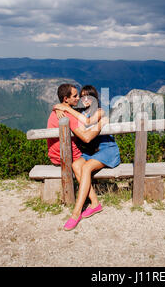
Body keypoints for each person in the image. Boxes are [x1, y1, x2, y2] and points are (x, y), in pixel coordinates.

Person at [53, 85, 121, 231]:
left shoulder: (100, 111)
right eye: (81, 96)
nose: (84, 99)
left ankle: (76, 213)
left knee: (86, 167)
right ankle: (95, 204)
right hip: (93, 153)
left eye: (87, 96)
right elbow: (64, 107)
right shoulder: (81, 113)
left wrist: (65, 109)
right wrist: (59, 108)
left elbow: (88, 123)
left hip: (107, 150)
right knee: (76, 165)